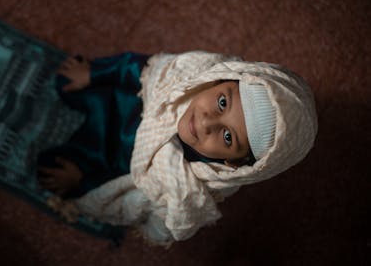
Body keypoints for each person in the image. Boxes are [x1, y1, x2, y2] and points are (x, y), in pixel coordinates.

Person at [37, 51, 318, 246]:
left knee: (50, 169)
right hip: (120, 106)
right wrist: (95, 73)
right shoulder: (192, 74)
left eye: (228, 138)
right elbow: (140, 68)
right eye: (222, 103)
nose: (208, 122)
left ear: (235, 165)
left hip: (114, 162)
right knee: (65, 81)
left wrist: (83, 182)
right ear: (222, 79)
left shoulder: (193, 190)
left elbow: (139, 208)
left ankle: (79, 176)